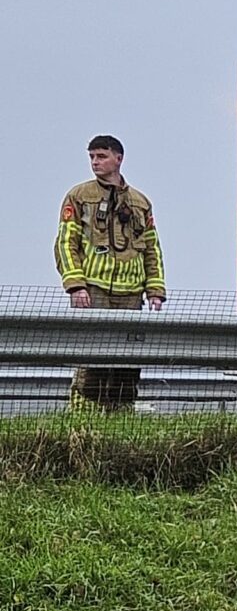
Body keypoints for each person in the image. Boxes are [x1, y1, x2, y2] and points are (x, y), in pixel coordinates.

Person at [53, 134, 167, 411]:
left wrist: (155, 290)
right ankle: (83, 417)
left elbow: (152, 248)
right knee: (93, 359)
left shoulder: (140, 202)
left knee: (128, 361)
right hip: (94, 290)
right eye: (91, 156)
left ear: (118, 158)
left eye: (101, 156)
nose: (95, 162)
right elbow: (65, 242)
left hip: (131, 295)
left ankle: (121, 416)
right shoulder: (79, 196)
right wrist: (76, 285)